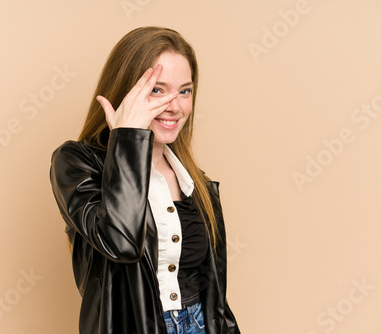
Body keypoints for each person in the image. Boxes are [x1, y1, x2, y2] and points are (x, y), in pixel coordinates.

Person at [50, 26, 240, 334]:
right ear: (126, 92)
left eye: (185, 90)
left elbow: (216, 298)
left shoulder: (197, 183)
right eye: (157, 90)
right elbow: (121, 243)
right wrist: (127, 138)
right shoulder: (76, 163)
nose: (175, 106)